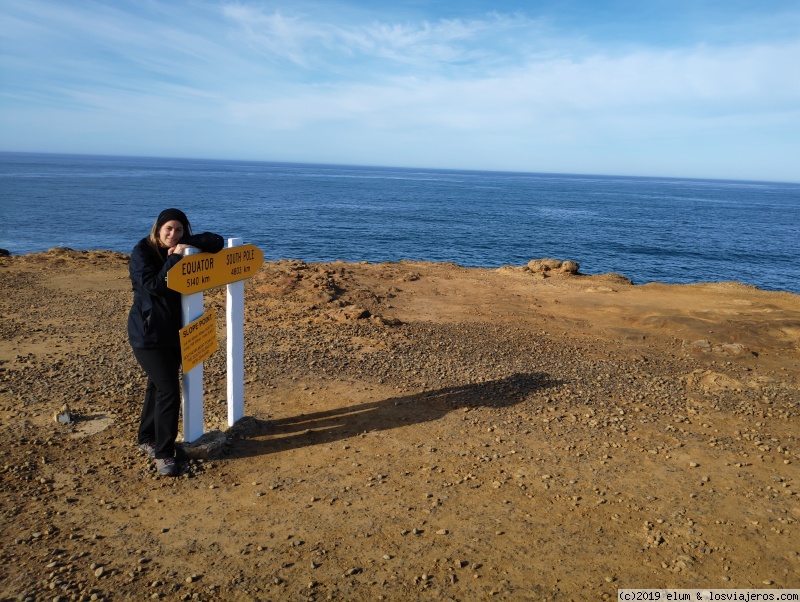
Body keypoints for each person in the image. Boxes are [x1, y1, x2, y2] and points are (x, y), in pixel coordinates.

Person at [128, 208, 224, 476]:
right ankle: (164, 453)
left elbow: (216, 242)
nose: (172, 234)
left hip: (174, 331)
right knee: (169, 390)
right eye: (168, 228)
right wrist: (175, 258)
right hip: (147, 334)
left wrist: (187, 245)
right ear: (158, 228)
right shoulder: (142, 253)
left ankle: (146, 437)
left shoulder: (183, 243)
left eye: (179, 229)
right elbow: (156, 286)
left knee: (156, 386)